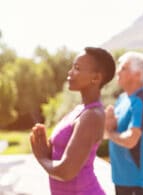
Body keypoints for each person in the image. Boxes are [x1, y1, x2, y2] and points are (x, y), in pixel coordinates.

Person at [30, 47, 116, 194]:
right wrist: (47, 150)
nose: (70, 72)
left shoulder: (92, 115)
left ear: (96, 78)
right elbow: (60, 154)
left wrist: (41, 158)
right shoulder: (80, 110)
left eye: (77, 68)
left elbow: (66, 172)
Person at [104, 51, 143, 195]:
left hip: (135, 182)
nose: (118, 71)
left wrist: (110, 133)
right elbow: (108, 133)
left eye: (123, 68)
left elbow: (130, 140)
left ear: (138, 74)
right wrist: (107, 124)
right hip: (119, 178)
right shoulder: (122, 99)